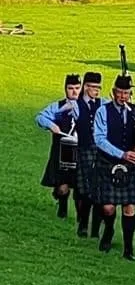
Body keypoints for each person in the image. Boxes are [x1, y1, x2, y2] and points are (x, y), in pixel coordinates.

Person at [92, 74, 135, 260]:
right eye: (119, 93)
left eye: (126, 93)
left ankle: (129, 248)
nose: (122, 97)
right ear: (113, 93)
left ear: (130, 93)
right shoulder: (103, 111)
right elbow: (99, 139)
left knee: (129, 207)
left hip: (130, 164)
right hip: (108, 162)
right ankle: (109, 229)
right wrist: (121, 153)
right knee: (109, 208)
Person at [36, 74, 82, 221]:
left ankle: (81, 217)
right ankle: (62, 208)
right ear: (65, 89)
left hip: (81, 151)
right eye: (70, 88)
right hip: (61, 152)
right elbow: (40, 117)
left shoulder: (88, 107)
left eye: (77, 88)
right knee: (62, 188)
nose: (74, 92)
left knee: (80, 189)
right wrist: (51, 125)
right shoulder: (58, 106)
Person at [73, 71, 106, 239]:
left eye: (99, 88)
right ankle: (84, 224)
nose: (97, 91)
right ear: (85, 87)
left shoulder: (104, 104)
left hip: (102, 151)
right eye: (94, 87)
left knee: (100, 191)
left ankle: (95, 230)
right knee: (87, 190)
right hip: (84, 149)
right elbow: (49, 116)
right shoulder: (75, 105)